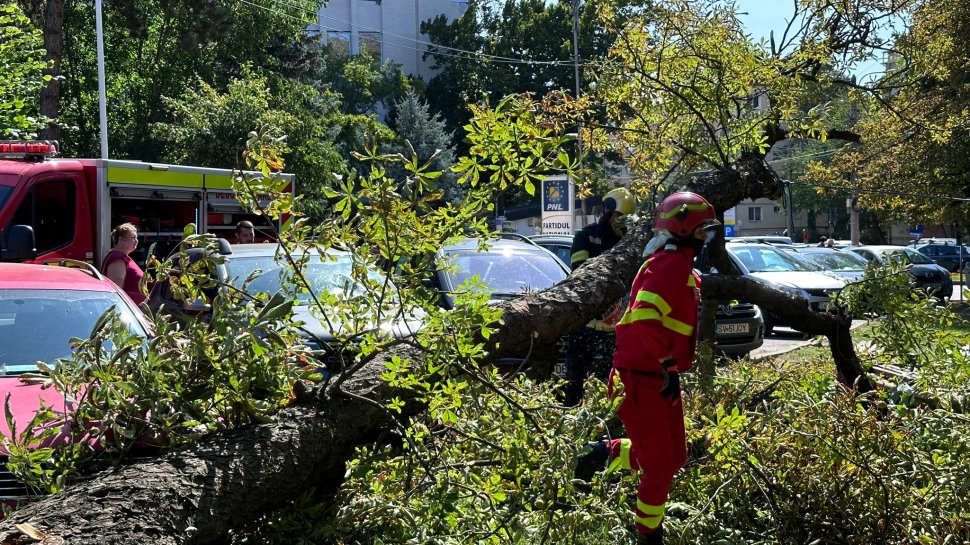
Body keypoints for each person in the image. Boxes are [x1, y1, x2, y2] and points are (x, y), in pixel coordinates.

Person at [576, 191, 719, 545]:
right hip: (642, 379)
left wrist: (669, 368)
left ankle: (598, 454)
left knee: (675, 456)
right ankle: (647, 535)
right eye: (701, 231)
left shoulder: (681, 268)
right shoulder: (666, 265)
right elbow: (643, 318)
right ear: (681, 229)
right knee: (659, 469)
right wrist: (668, 363)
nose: (706, 239)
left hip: (658, 376)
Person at [563, 187, 637, 406]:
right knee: (575, 380)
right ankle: (570, 416)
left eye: (623, 218)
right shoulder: (586, 236)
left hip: (615, 330)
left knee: (613, 384)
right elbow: (579, 273)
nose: (618, 220)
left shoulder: (630, 243)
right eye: (617, 215)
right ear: (607, 211)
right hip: (584, 325)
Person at [102, 222, 146, 305]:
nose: (136, 241)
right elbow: (116, 291)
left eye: (137, 238)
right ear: (121, 240)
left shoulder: (122, 257)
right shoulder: (117, 258)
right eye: (133, 238)